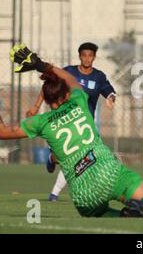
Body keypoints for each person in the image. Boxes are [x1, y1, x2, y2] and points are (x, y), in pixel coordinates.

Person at [0, 44, 143, 218]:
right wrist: (40, 64)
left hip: (83, 194)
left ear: (48, 101)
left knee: (98, 212)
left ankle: (125, 216)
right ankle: (141, 208)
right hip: (108, 171)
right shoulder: (79, 101)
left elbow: (2, 131)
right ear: (67, 93)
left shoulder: (40, 122)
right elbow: (70, 78)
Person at [27, 42, 117, 202]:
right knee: (72, 157)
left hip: (84, 124)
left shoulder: (99, 77)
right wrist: (36, 106)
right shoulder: (68, 72)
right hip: (64, 119)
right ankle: (53, 165)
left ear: (94, 57)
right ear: (80, 56)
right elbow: (48, 85)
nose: (87, 59)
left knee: (80, 159)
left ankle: (55, 193)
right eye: (84, 55)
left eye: (90, 55)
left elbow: (108, 90)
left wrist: (111, 98)